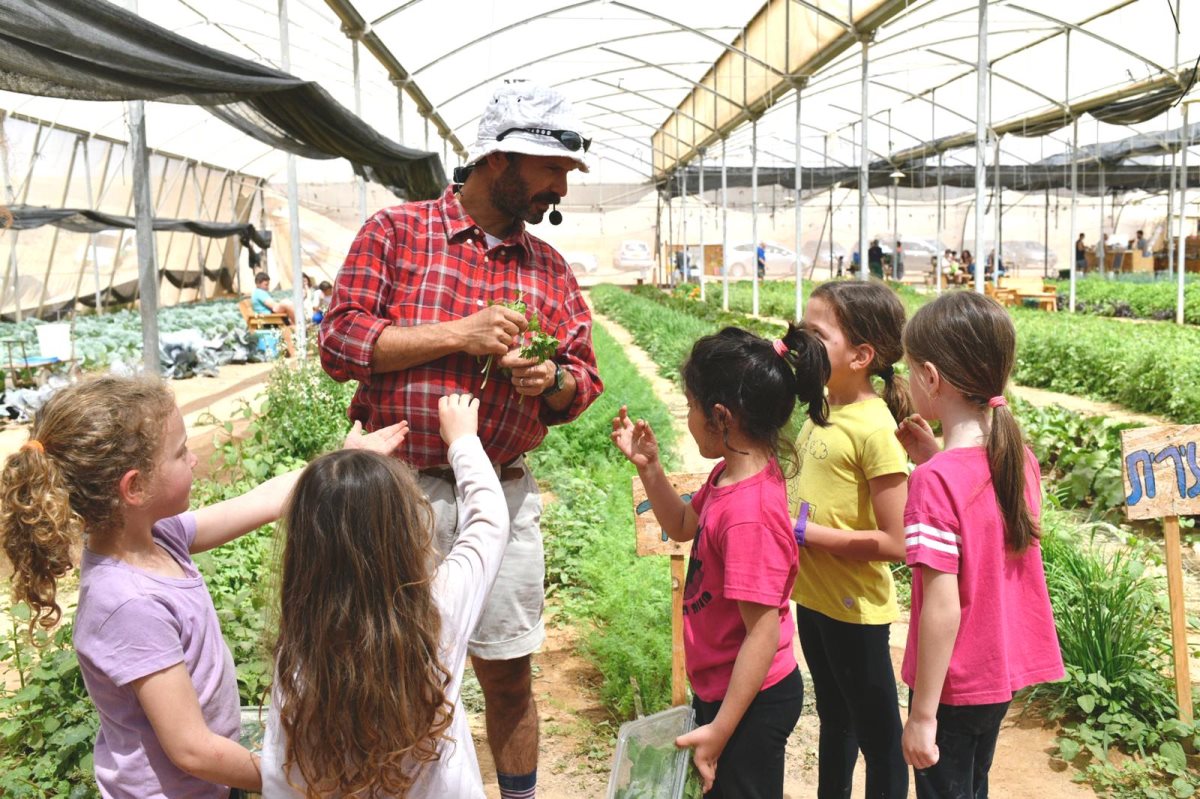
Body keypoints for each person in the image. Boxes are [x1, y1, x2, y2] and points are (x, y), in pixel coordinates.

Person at [319, 81, 603, 799]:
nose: (559, 186)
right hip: (397, 495)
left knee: (509, 675)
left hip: (500, 493)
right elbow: (340, 341)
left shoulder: (550, 269)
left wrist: (551, 381)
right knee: (387, 666)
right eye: (552, 169)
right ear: (500, 160)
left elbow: (585, 381)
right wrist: (462, 333)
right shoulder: (397, 233)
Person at [0, 375, 405, 799]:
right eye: (180, 453)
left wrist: (341, 461)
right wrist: (297, 777)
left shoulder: (160, 538)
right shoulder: (128, 604)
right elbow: (191, 749)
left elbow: (262, 502)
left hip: (212, 782)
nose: (193, 461)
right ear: (134, 487)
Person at [611, 324, 830, 797]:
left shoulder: (748, 516)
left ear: (720, 416)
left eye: (689, 407)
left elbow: (763, 630)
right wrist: (650, 468)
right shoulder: (730, 473)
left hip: (750, 700)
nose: (687, 417)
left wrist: (720, 730)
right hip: (728, 688)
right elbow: (684, 525)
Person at [262, 393, 507, 798]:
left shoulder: (301, 651)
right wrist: (463, 441)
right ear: (405, 533)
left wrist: (342, 467)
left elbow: (278, 772)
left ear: (304, 550)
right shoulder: (437, 608)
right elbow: (489, 522)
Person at [895, 291, 1064, 798]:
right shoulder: (1018, 459)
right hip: (1000, 669)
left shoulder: (935, 481)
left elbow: (942, 607)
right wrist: (934, 457)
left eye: (908, 371)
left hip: (953, 684)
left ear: (930, 377)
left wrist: (922, 716)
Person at [791, 279, 913, 798]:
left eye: (816, 334)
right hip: (813, 598)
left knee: (880, 736)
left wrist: (808, 533)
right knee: (834, 719)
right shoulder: (821, 407)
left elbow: (898, 543)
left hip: (854, 609)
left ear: (862, 355)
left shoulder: (874, 430)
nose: (799, 341)